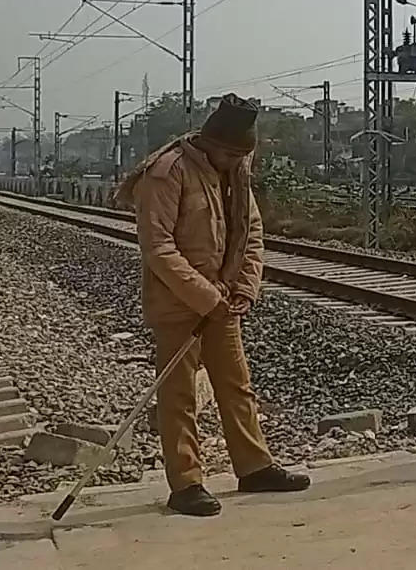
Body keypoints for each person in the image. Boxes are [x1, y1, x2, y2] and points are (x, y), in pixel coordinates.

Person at [116, 94, 310, 517]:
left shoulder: (237, 172)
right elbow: (158, 248)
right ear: (208, 142)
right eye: (228, 153)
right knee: (179, 393)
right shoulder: (167, 173)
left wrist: (244, 287)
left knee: (236, 385)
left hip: (224, 302)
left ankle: (254, 466)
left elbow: (251, 232)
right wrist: (206, 296)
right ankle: (186, 483)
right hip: (177, 304)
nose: (233, 161)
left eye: (241, 154)